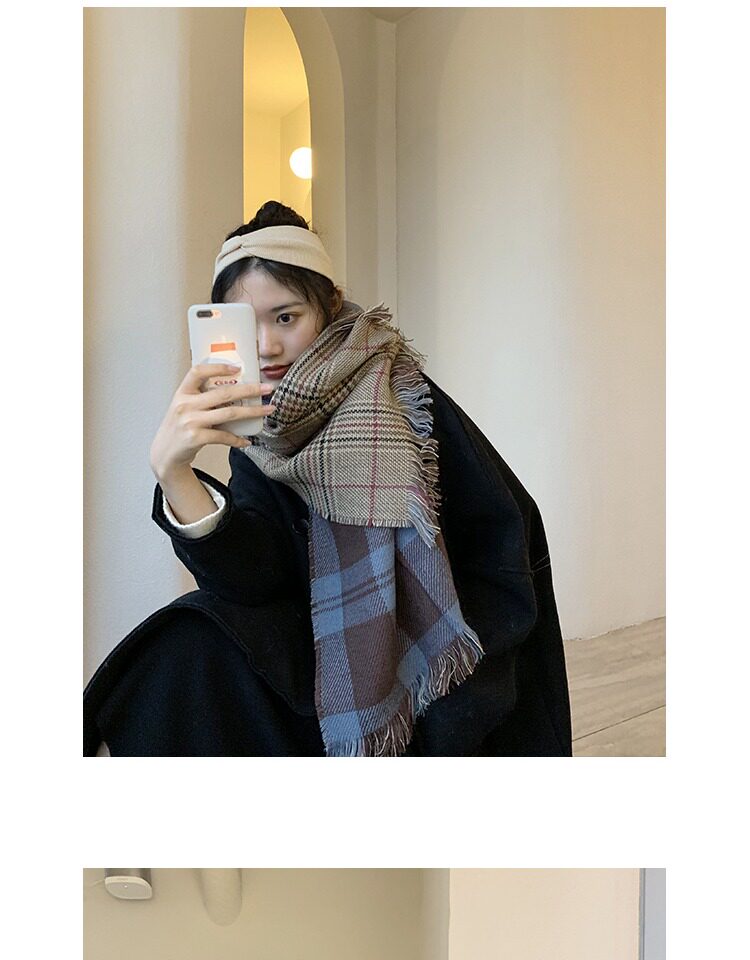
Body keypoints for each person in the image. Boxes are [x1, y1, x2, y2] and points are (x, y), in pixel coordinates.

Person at [83, 200, 572, 757]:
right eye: (247, 323)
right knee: (187, 640)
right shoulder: (265, 430)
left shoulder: (399, 398)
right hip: (327, 656)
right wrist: (175, 474)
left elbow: (503, 531)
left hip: (441, 666)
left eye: (285, 317)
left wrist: (460, 673)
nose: (266, 345)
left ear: (329, 305)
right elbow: (255, 582)